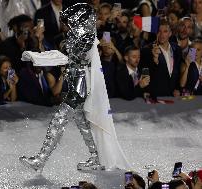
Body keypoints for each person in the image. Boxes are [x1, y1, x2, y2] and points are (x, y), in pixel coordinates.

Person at [19, 3, 130, 172]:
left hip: (79, 88)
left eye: (69, 19)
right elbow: (69, 55)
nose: (66, 23)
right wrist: (42, 55)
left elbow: (74, 57)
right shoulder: (76, 34)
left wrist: (46, 58)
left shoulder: (86, 37)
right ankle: (96, 158)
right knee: (83, 125)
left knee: (59, 120)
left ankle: (40, 160)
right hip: (75, 84)